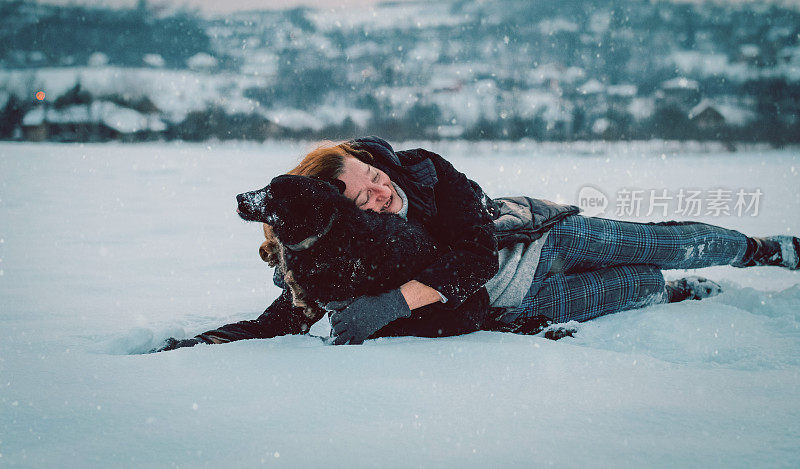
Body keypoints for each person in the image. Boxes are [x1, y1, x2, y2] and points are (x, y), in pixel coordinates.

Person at [154, 136, 799, 351]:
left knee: (654, 245)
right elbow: (292, 310)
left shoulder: (426, 171)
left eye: (373, 177)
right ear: (344, 215)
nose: (379, 191)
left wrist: (405, 296)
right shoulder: (350, 251)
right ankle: (679, 293)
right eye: (362, 196)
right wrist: (213, 341)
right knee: (637, 288)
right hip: (528, 298)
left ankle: (761, 251)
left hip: (541, 236)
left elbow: (477, 252)